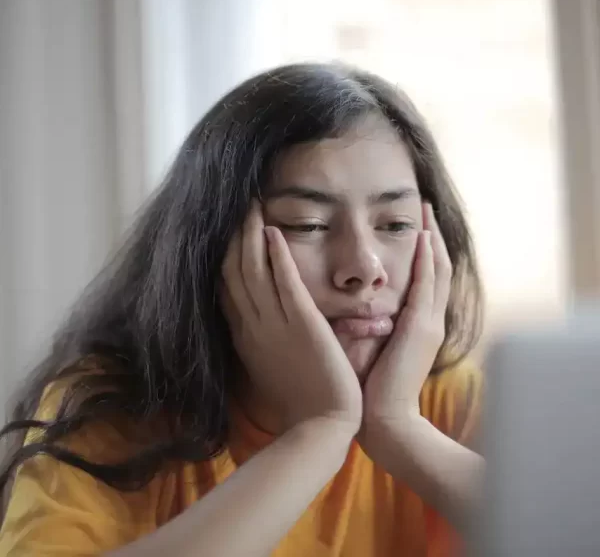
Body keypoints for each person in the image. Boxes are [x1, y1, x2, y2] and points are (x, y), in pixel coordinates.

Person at [0, 62, 484, 556]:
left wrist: (400, 428)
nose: (364, 266)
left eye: (396, 224)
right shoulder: (114, 407)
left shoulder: (446, 398)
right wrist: (320, 430)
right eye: (308, 224)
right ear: (216, 250)